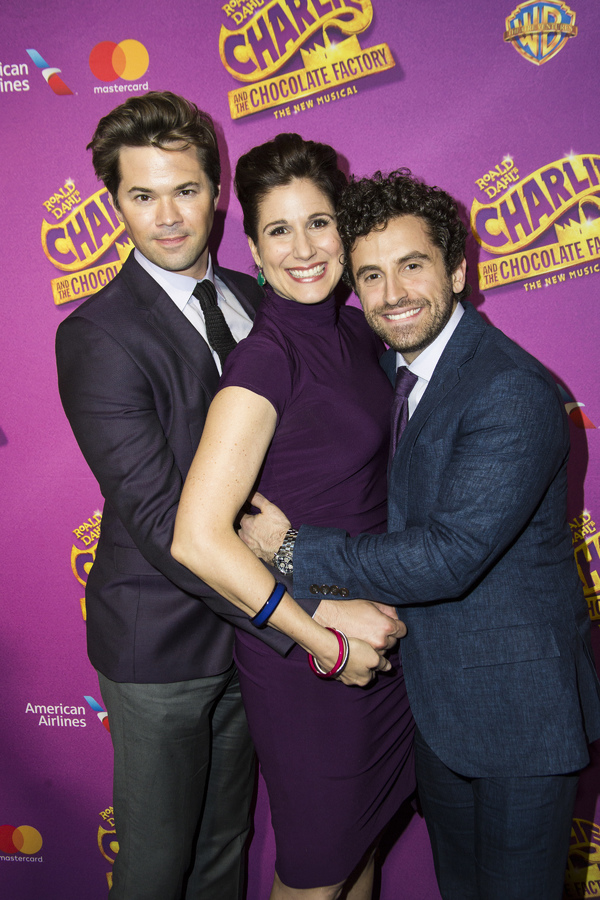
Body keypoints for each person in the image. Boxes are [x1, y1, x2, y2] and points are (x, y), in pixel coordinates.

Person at [238, 169, 600, 900]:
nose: (393, 293)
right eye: (371, 274)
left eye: (413, 266)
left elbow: (448, 556)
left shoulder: (508, 391)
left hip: (516, 717)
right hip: (435, 709)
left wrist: (289, 549)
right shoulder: (397, 370)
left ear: (459, 269)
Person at [56, 90, 297, 900]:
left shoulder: (262, 300)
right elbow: (161, 518)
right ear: (114, 202)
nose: (168, 215)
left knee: (226, 846)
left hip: (252, 642)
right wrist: (296, 614)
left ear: (219, 190)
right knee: (157, 869)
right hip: (160, 645)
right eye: (142, 194)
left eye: (186, 189)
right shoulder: (97, 334)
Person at [172, 134, 415, 900]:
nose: (305, 249)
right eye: (280, 230)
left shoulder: (354, 331)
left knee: (360, 853)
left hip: (382, 639)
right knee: (314, 876)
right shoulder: (266, 358)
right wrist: (320, 640)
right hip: (316, 666)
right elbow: (197, 537)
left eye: (320, 222)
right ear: (251, 245)